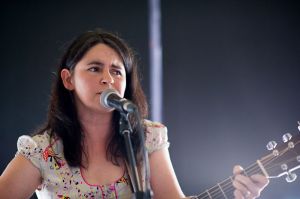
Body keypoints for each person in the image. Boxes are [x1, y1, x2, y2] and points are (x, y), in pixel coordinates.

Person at [0, 29, 268, 199]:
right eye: (95, 69)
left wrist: (239, 195)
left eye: (117, 72)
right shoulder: (42, 151)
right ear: (68, 80)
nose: (108, 79)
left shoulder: (148, 137)